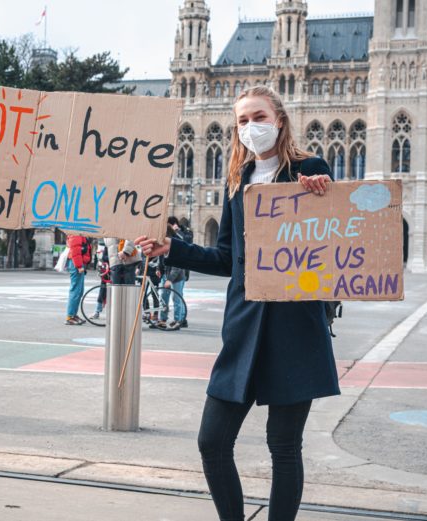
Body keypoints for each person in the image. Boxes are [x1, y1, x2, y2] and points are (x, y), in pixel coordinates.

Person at [137, 85, 339, 521]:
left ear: (279, 120)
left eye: (259, 117)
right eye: (243, 121)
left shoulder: (310, 169)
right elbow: (227, 258)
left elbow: (335, 238)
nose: (251, 127)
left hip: (295, 330)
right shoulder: (238, 182)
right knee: (212, 442)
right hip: (244, 330)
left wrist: (324, 194)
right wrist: (171, 248)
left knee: (283, 447)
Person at [153, 225, 187, 331]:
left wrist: (169, 280)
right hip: (166, 274)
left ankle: (178, 320)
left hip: (177, 276)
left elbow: (177, 266)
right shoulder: (162, 242)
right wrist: (159, 268)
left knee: (176, 298)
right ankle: (162, 319)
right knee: (163, 297)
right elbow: (160, 255)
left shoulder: (176, 243)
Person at [64, 234, 90, 325]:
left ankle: (73, 315)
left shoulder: (78, 232)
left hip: (77, 263)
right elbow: (75, 250)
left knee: (79, 291)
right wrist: (79, 266)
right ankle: (70, 316)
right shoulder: (76, 232)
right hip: (76, 264)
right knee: (76, 290)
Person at [90, 247, 110, 320]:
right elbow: (104, 257)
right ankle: (97, 311)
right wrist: (114, 256)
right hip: (107, 271)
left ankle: (111, 312)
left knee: (114, 294)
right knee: (102, 292)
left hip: (116, 271)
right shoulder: (108, 245)